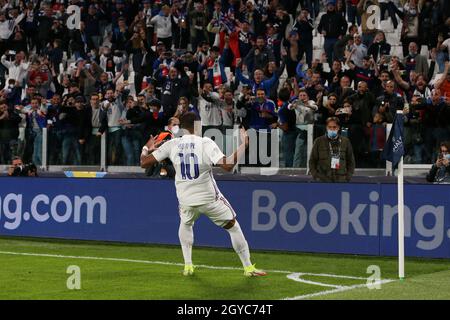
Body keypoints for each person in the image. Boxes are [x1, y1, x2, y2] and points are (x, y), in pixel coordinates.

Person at [140, 112, 267, 277]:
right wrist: (244, 144)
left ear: (182, 127)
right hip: (208, 199)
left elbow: (143, 163)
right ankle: (248, 268)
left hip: (186, 199)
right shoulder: (205, 142)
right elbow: (227, 166)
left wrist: (146, 147)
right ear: (198, 125)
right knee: (233, 226)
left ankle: (188, 266)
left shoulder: (172, 144)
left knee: (186, 224)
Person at [309, 117, 355, 182]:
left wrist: (347, 177)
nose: (332, 129)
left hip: (341, 180)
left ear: (338, 128)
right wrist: (316, 176)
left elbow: (351, 162)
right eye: (330, 127)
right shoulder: (318, 141)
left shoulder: (345, 141)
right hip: (323, 180)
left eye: (334, 127)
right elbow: (312, 161)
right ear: (326, 128)